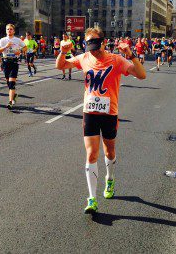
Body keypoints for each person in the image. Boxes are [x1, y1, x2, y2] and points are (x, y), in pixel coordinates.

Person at [56, 27, 146, 214]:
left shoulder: (116, 60)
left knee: (110, 151)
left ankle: (110, 178)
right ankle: (92, 199)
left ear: (104, 42)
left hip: (109, 113)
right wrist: (62, 52)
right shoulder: (84, 58)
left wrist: (131, 55)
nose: (94, 50)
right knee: (91, 154)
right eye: (90, 45)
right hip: (90, 112)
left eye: (97, 45)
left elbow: (141, 74)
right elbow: (61, 66)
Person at [0, 24, 27, 110]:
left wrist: (19, 51)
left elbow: (25, 47)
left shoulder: (17, 40)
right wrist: (6, 46)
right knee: (8, 83)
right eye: (8, 29)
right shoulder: (3, 40)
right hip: (5, 62)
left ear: (14, 31)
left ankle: (10, 102)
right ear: (6, 31)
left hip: (14, 62)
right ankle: (14, 95)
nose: (9, 30)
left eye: (11, 29)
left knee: (12, 84)